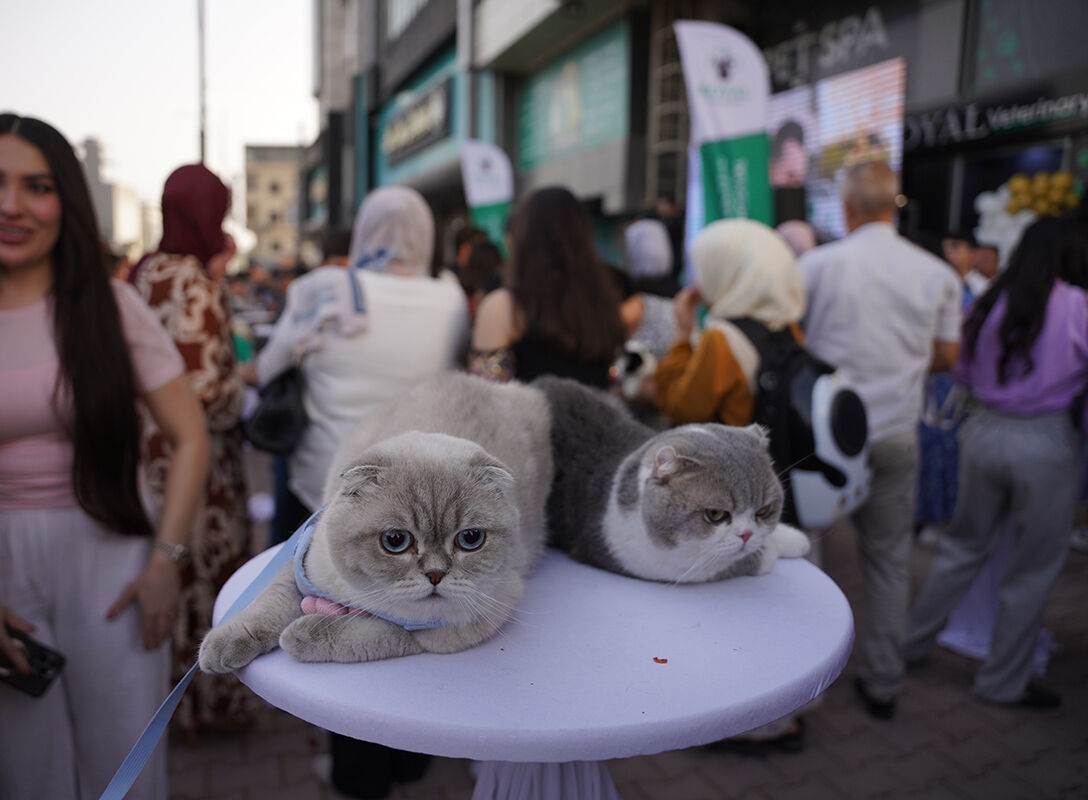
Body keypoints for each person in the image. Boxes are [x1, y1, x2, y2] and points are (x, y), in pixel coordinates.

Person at [0, 113, 209, 799]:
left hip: (111, 557)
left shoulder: (112, 308)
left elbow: (189, 437)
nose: (12, 206)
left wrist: (166, 563)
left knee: (124, 758)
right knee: (26, 769)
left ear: (68, 199)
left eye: (37, 186)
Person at [256, 185, 468, 799]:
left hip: (325, 491)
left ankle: (356, 777)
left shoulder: (321, 289)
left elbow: (268, 367)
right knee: (411, 624)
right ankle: (408, 762)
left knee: (335, 621)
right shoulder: (451, 296)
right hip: (420, 495)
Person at [903, 215, 1088, 709]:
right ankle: (1002, 681)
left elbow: (960, 370)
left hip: (982, 434)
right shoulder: (1078, 307)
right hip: (1046, 441)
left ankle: (909, 645)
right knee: (1033, 569)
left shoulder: (987, 304)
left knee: (961, 550)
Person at [799, 161, 962, 720]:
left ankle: (803, 688)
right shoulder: (937, 272)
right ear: (893, 206)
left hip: (826, 435)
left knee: (810, 558)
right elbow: (946, 358)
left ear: (846, 210)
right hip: (896, 429)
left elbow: (795, 341)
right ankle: (883, 681)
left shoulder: (817, 264)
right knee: (890, 561)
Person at [129, 163, 254, 737]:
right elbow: (204, 393)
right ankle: (208, 704)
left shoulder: (141, 273)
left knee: (167, 570)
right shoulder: (194, 282)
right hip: (199, 462)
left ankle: (164, 703)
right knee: (206, 576)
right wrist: (244, 382)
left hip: (147, 454)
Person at [654, 218, 805, 428]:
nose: (698, 283)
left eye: (705, 270)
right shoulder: (789, 324)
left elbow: (681, 409)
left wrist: (683, 334)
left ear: (727, 273)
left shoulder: (721, 340)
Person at [470, 186, 625, 388]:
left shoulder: (504, 307)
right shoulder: (605, 306)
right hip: (593, 418)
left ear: (524, 238)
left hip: (529, 419)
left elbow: (485, 397)